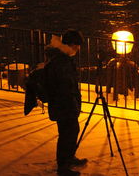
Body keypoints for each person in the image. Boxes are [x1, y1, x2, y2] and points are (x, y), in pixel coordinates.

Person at [45, 29, 87, 176]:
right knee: (67, 133)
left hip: (65, 103)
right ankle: (63, 167)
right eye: (77, 45)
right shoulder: (61, 61)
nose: (78, 49)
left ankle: (68, 158)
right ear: (71, 44)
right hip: (64, 104)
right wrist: (71, 102)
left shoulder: (62, 57)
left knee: (71, 131)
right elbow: (64, 85)